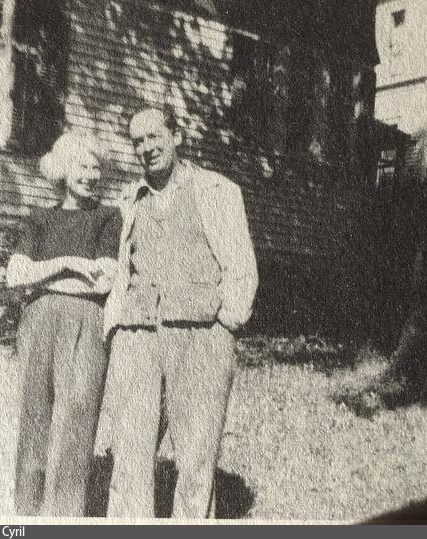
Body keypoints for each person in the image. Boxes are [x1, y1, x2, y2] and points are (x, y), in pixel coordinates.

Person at [102, 104, 258, 518]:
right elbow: (120, 267)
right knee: (130, 449)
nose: (147, 148)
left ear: (177, 136)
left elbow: (241, 266)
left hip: (201, 334)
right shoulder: (129, 199)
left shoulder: (216, 190)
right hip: (138, 334)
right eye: (138, 141)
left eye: (154, 136)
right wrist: (115, 327)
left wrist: (226, 323)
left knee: (196, 454)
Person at [7, 130, 122, 517]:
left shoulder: (107, 217)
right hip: (39, 322)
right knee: (35, 414)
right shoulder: (39, 218)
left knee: (77, 417)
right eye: (82, 166)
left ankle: (63, 516)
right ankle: (27, 512)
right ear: (63, 169)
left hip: (87, 321)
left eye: (96, 168)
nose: (91, 175)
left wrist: (43, 274)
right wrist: (69, 263)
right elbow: (15, 275)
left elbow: (102, 281)